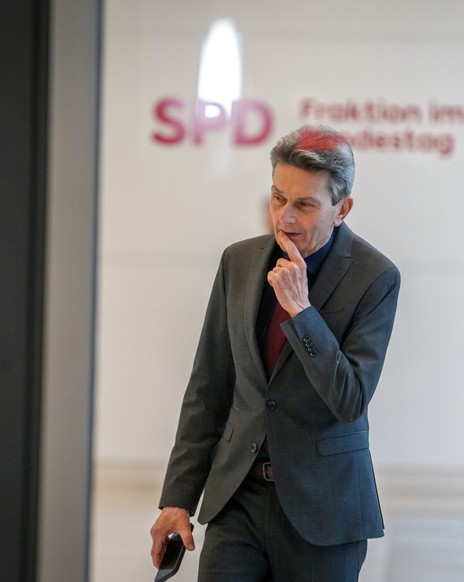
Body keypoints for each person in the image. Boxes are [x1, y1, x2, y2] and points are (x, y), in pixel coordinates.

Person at [150, 125, 400, 581]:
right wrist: (177, 498)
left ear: (342, 209)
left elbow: (350, 399)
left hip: (323, 509)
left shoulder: (375, 277)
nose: (285, 217)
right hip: (238, 498)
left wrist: (302, 312)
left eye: (304, 205)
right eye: (278, 198)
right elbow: (209, 388)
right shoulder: (239, 262)